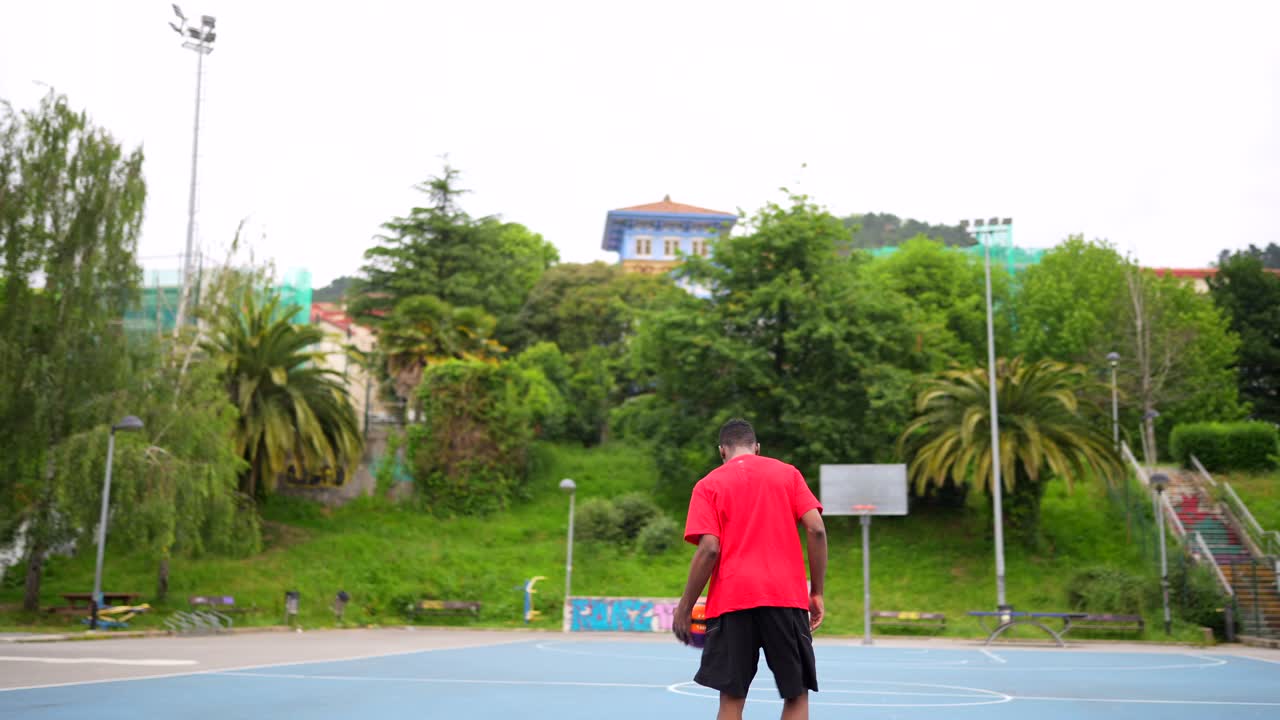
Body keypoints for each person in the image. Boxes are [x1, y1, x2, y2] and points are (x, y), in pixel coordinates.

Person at [673, 418, 827, 720]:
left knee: (732, 698)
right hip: (785, 598)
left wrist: (685, 606)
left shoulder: (708, 485)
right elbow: (817, 530)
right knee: (796, 695)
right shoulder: (788, 475)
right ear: (757, 447)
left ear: (722, 451)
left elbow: (709, 548)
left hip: (732, 602)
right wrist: (817, 592)